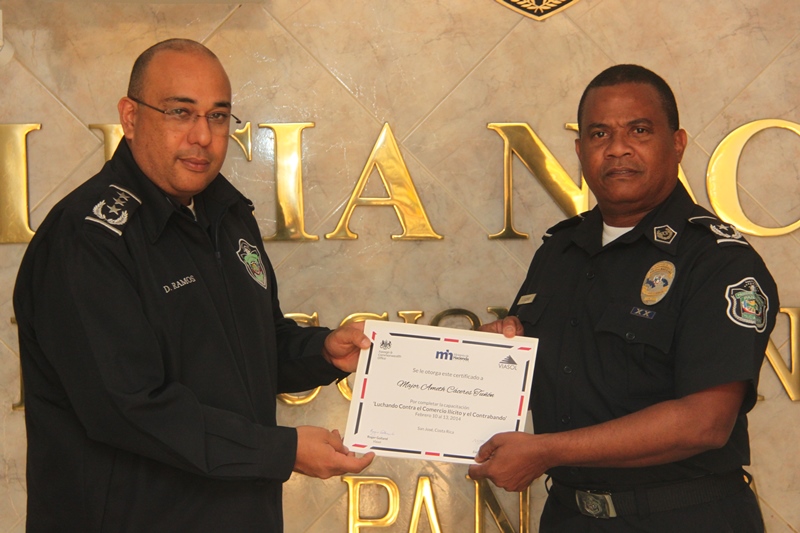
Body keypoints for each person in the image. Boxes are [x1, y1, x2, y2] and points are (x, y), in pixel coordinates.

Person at [13, 38, 373, 532]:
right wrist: (283, 450)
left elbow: (250, 350)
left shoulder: (226, 215)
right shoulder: (87, 238)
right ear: (131, 117)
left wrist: (324, 352)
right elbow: (128, 407)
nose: (202, 136)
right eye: (180, 112)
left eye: (218, 116)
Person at [469, 65, 777, 532]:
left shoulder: (716, 259)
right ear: (581, 151)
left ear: (677, 143)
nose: (617, 148)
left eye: (639, 130)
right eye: (600, 134)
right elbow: (558, 375)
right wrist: (496, 351)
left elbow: (705, 422)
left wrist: (547, 451)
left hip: (685, 519)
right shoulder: (560, 250)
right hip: (570, 517)